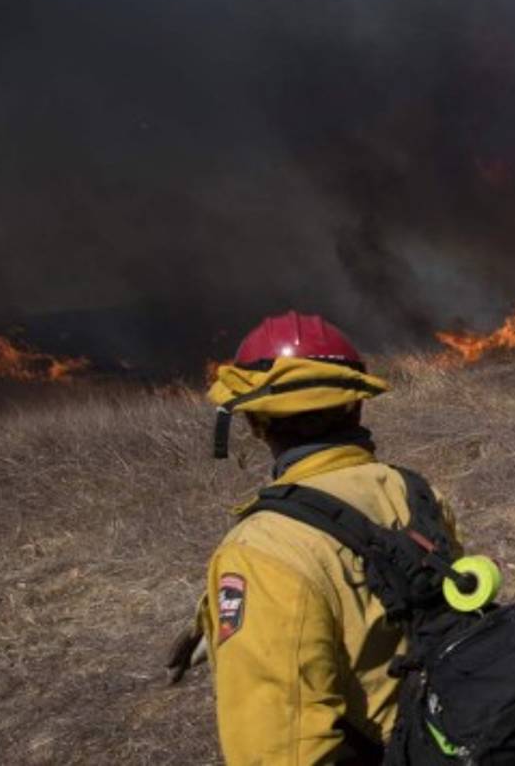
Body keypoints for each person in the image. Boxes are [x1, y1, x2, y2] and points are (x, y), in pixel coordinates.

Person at [199, 311, 462, 763]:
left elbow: (281, 752)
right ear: (356, 404)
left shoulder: (261, 552)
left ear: (255, 423)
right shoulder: (415, 492)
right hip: (456, 731)